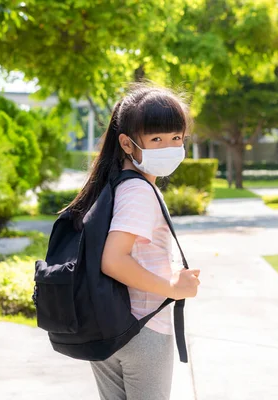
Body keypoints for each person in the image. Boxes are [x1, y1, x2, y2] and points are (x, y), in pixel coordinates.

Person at [65, 84, 201, 400]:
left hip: (109, 326)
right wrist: (173, 288)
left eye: (176, 138)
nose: (169, 147)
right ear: (127, 143)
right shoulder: (139, 192)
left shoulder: (115, 186)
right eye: (156, 139)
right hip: (144, 328)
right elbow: (113, 260)